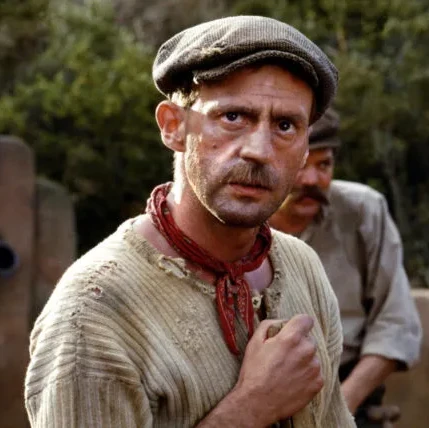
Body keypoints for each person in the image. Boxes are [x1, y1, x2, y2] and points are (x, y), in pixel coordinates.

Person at [25, 16, 356, 427]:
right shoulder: (94, 311)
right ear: (173, 126)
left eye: (285, 125)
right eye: (233, 117)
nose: (258, 150)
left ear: (305, 147)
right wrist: (250, 408)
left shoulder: (302, 266)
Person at [269, 108, 422, 427]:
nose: (312, 180)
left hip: (348, 392)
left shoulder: (363, 210)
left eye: (324, 165)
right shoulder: (239, 217)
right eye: (300, 164)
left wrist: (338, 411)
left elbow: (395, 323)